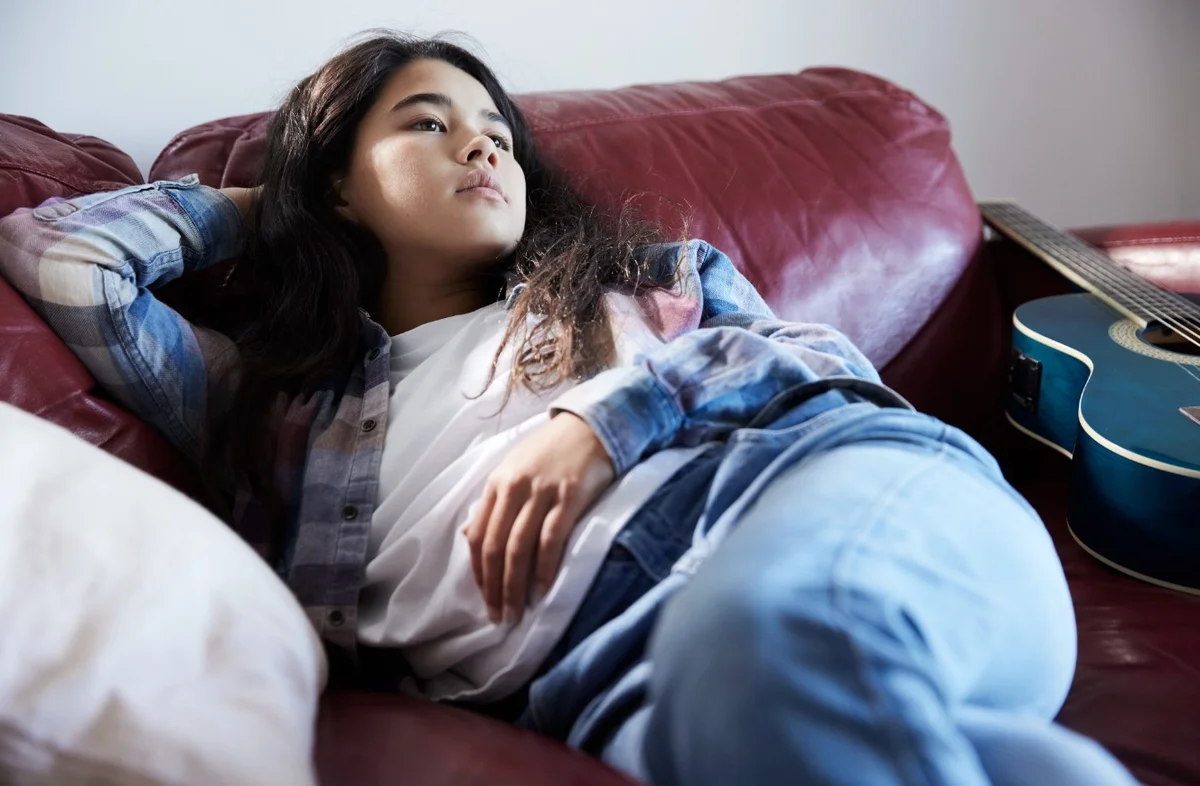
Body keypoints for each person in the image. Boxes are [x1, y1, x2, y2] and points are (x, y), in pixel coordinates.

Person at [0, 30, 1138, 786]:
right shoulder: (274, 402)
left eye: (494, 126)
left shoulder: (638, 285)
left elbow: (808, 364)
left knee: (771, 640)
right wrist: (264, 208)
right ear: (339, 185)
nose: (483, 140)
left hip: (833, 513)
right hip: (624, 682)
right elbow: (61, 259)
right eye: (426, 123)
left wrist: (603, 420)